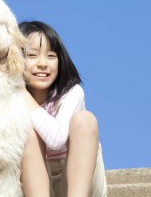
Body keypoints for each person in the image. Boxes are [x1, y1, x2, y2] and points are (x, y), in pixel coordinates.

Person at [19, 21, 107, 197]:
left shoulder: (72, 93)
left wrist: (20, 92)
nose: (43, 63)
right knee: (26, 133)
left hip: (78, 182)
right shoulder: (8, 101)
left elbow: (57, 140)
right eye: (32, 55)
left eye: (51, 56)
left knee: (85, 120)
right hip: (34, 184)